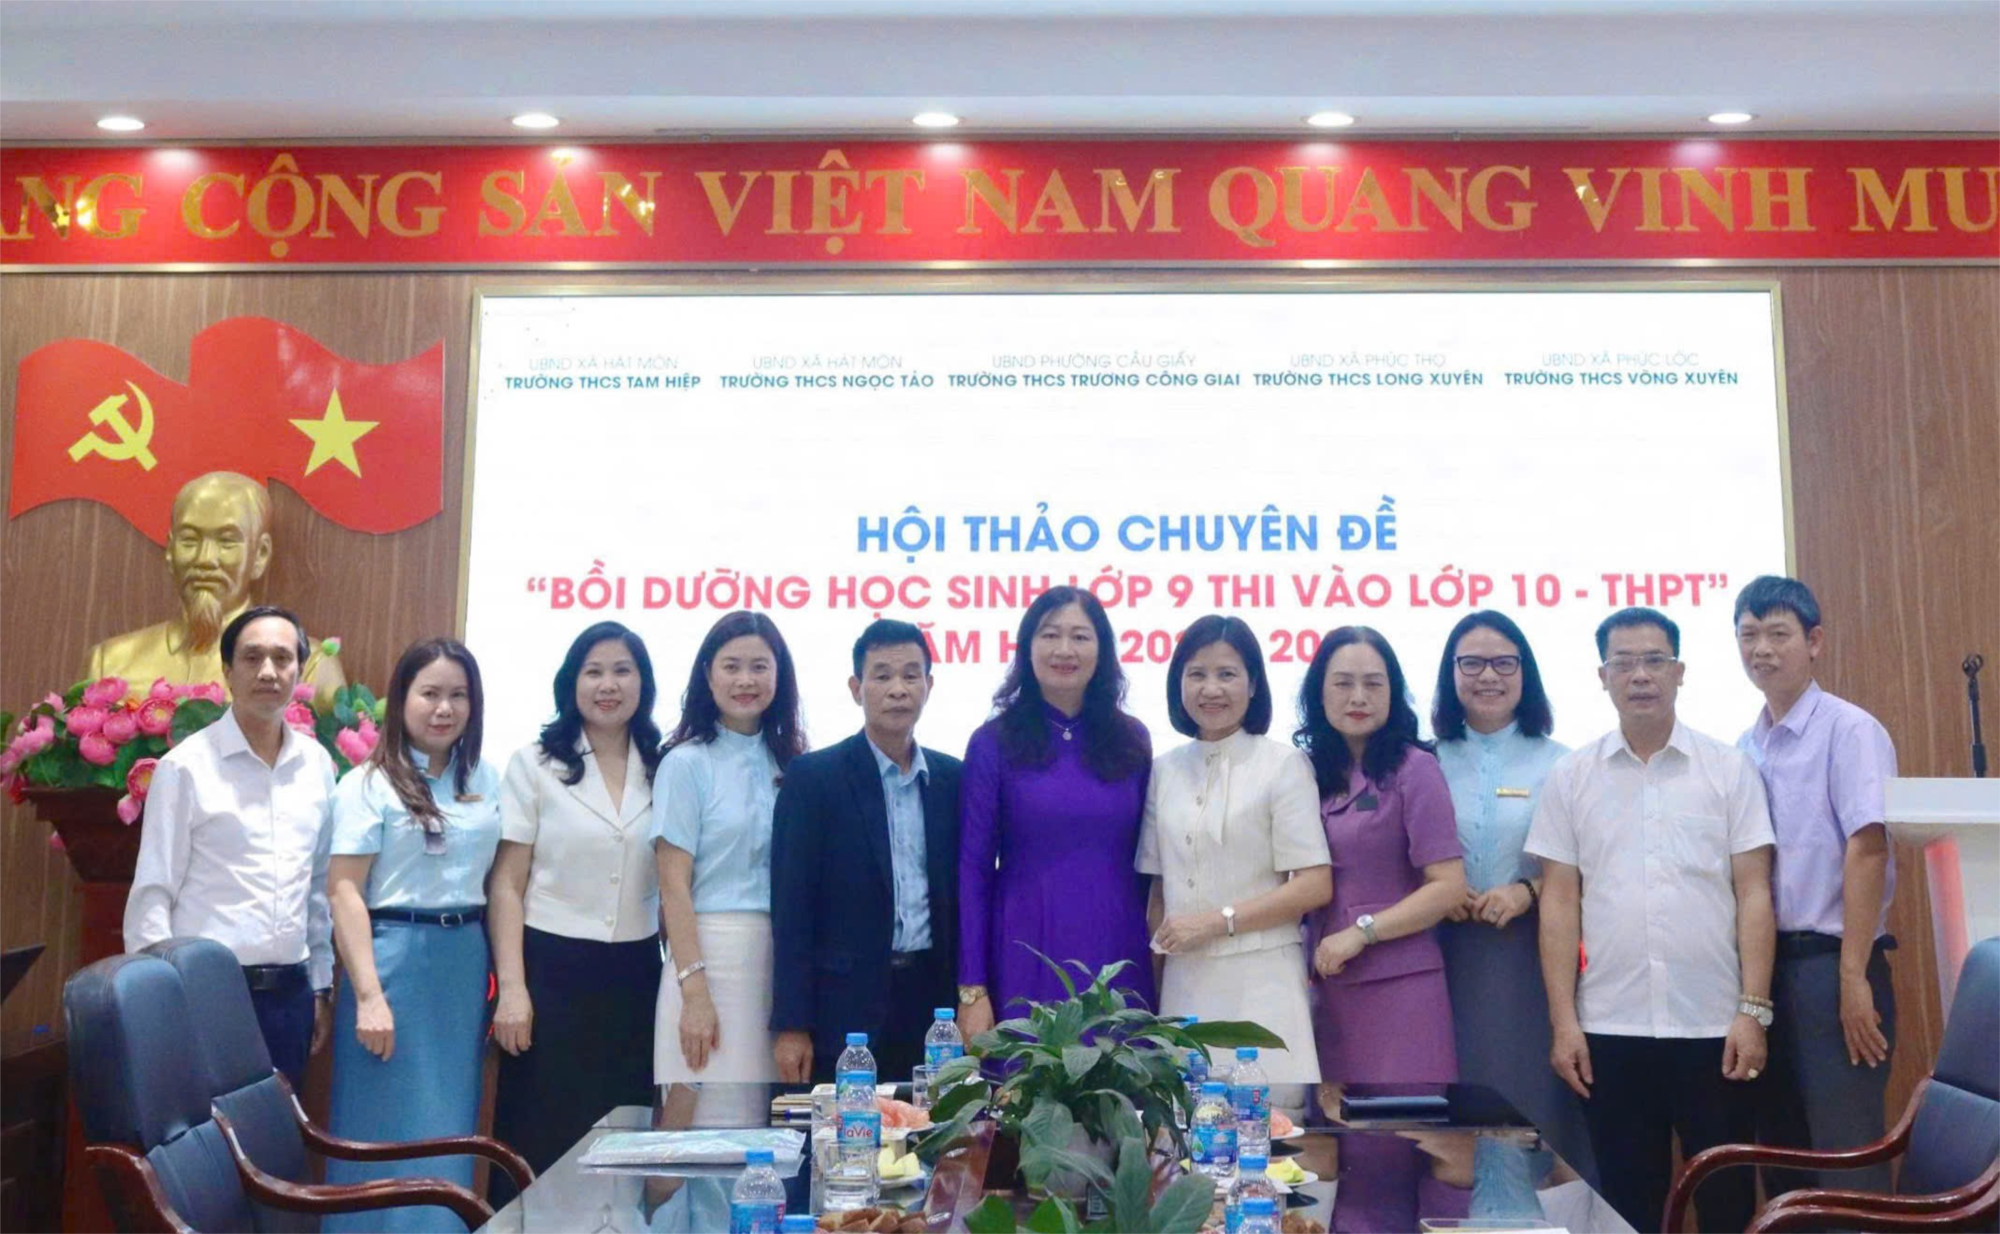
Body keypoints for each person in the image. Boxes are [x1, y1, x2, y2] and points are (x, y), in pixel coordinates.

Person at [1526, 607, 1777, 1234]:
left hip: (1714, 1026)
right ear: (1602, 676)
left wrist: (1753, 1010)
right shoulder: (1572, 776)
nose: (1640, 675)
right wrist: (1564, 1022)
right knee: (1628, 1204)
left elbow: (1753, 892)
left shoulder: (1728, 768)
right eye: (1624, 662)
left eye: (1655, 660)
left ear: (1680, 671)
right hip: (1610, 1027)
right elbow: (1559, 902)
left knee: (1726, 1203)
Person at [324, 638, 502, 1234]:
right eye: (429, 693)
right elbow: (344, 891)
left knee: (447, 1127)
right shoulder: (366, 784)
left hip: (462, 962)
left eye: (458, 695)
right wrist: (368, 995)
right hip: (392, 961)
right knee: (377, 1129)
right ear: (402, 699)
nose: (444, 708)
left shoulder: (487, 780)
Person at [124, 605, 336, 1088]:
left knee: (279, 1130)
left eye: (282, 658)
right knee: (206, 1131)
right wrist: (161, 999)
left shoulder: (317, 767)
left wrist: (320, 986)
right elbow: (153, 894)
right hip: (205, 993)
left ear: (299, 670)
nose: (268, 671)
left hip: (291, 996)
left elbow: (317, 889)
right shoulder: (186, 767)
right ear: (227, 671)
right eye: (252, 657)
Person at [1734, 575, 1899, 1196]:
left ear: (1815, 642)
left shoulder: (1849, 730)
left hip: (1833, 966)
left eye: (1778, 634)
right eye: (1748, 635)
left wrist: (1852, 976)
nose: (1762, 649)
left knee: (1846, 1155)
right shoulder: (1744, 746)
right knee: (1781, 1156)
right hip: (1765, 974)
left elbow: (1868, 848)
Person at [487, 622, 665, 1195]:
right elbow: (507, 885)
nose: (608, 685)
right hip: (551, 973)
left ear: (643, 683)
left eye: (622, 671)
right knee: (543, 1138)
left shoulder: (665, 764)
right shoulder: (534, 763)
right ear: (571, 683)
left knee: (623, 1140)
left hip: (636, 976)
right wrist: (513, 989)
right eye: (594, 672)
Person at [1431, 611, 1595, 1183]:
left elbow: (1591, 867)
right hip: (1442, 961)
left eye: (1504, 663)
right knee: (1453, 1123)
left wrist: (1528, 891)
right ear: (1451, 673)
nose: (1488, 676)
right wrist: (1436, 892)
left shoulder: (1563, 763)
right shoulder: (1422, 760)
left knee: (1535, 1110)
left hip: (1531, 961)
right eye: (1472, 663)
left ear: (1526, 673)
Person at [1140, 615, 1331, 1093]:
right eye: (1197, 674)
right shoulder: (1163, 770)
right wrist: (1154, 988)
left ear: (1253, 685)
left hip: (1264, 980)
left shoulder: (1283, 763)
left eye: (1227, 674)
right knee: (1185, 1123)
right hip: (1184, 982)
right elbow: (1158, 891)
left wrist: (1215, 922)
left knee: (1270, 1124)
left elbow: (1314, 885)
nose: (1211, 689)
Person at [769, 619, 962, 1083]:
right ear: (856, 689)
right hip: (843, 1009)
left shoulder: (954, 779)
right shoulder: (814, 778)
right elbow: (792, 908)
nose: (898, 689)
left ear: (929, 686)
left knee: (933, 1124)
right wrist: (793, 1024)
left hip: (932, 1002)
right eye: (882, 675)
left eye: (911, 675)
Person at [958, 587, 1154, 1037]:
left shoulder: (1133, 740)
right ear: (1027, 648)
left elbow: (1149, 864)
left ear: (1102, 651)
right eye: (1050, 635)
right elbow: (973, 872)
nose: (1065, 650)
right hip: (1025, 948)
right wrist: (972, 987)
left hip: (1117, 947)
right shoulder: (992, 742)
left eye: (1080, 637)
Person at [654, 611, 807, 1121]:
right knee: (697, 1135)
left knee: (764, 1135)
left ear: (779, 675)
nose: (746, 680)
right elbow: (673, 886)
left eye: (760, 666)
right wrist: (695, 992)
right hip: (707, 961)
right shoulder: (685, 763)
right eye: (732, 666)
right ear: (707, 673)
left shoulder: (796, 765)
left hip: (777, 968)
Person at [1298, 626, 1466, 1086]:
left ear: (1394, 692)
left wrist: (1363, 932)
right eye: (1343, 683)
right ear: (1319, 692)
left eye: (1373, 683)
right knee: (1333, 1124)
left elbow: (1449, 886)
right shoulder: (1307, 772)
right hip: (1326, 985)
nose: (1359, 697)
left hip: (1400, 985)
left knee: (1402, 1120)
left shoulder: (1416, 768)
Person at [83, 471, 345, 705]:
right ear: (170, 551)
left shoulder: (309, 667)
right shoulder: (111, 664)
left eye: (227, 542)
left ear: (260, 555)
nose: (205, 559)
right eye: (189, 540)